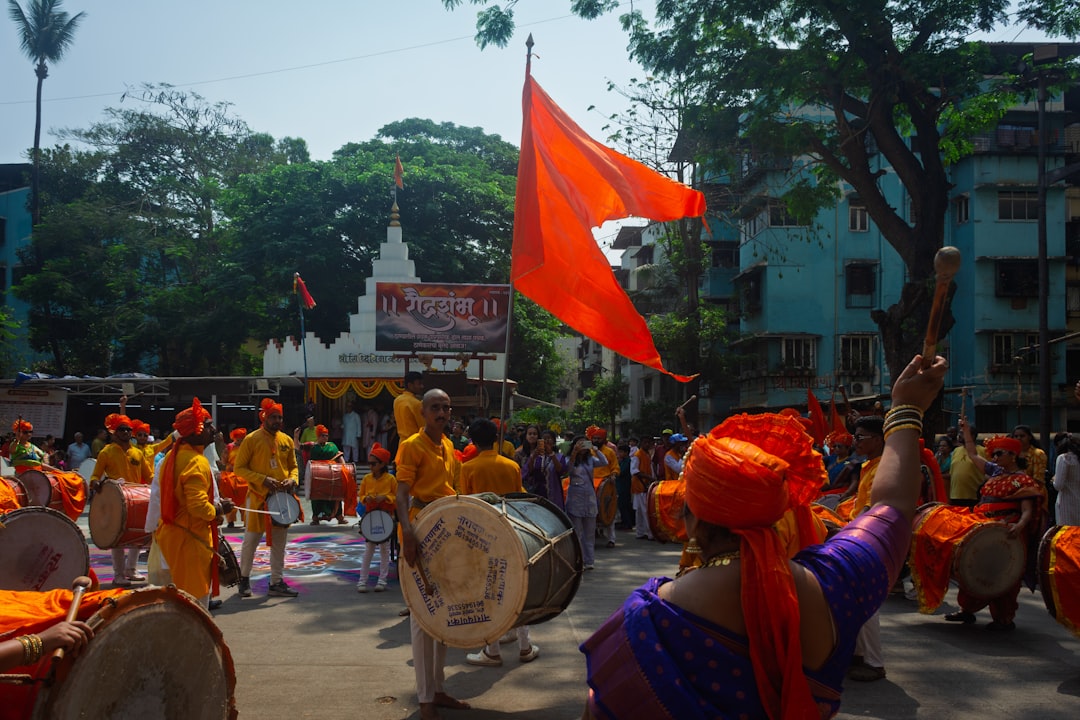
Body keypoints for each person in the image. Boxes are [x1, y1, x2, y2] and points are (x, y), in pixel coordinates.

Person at [580, 354, 947, 719]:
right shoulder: (834, 581)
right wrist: (906, 408)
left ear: (692, 522)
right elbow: (892, 507)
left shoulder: (644, 622)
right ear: (776, 510)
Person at [394, 388, 471, 720]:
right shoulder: (410, 446)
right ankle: (425, 698)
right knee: (422, 616)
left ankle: (438, 689)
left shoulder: (450, 446)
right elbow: (401, 494)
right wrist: (408, 535)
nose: (442, 413)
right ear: (423, 413)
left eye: (446, 407)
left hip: (446, 530)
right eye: (435, 407)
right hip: (419, 529)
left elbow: (452, 489)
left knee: (444, 611)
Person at [935, 420, 1043, 630]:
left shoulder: (1023, 480)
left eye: (999, 454)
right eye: (993, 454)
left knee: (1003, 572)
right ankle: (967, 610)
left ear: (1013, 455)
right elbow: (974, 455)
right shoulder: (995, 472)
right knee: (969, 562)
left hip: (1007, 529)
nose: (994, 457)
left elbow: (1027, 511)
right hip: (983, 525)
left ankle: (1003, 618)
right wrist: (966, 432)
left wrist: (1019, 527)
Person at [462, 418, 540, 667]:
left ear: (472, 441)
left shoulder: (468, 468)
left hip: (481, 536)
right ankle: (525, 646)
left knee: (488, 592)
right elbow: (519, 499)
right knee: (517, 588)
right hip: (511, 533)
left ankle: (492, 649)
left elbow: (465, 505)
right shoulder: (511, 466)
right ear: (497, 438)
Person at [155, 398, 233, 608]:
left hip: (174, 536)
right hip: (190, 540)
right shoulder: (195, 461)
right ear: (194, 431)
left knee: (182, 597)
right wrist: (220, 508)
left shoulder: (172, 456)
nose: (214, 429)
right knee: (195, 603)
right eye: (208, 425)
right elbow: (198, 507)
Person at [233, 398, 300, 599]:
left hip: (282, 500)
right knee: (251, 541)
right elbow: (239, 468)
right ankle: (244, 579)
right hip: (258, 499)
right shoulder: (252, 439)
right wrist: (262, 480)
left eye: (280, 417)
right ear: (264, 417)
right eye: (273, 417)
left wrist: (292, 479)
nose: (277, 420)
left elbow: (294, 466)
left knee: (280, 543)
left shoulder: (286, 440)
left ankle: (276, 582)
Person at [845, 416, 888, 682]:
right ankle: (860, 654)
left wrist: (846, 530)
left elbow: (873, 508)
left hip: (870, 539)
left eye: (860, 437)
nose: (855, 441)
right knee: (855, 600)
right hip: (859, 535)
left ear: (878, 439)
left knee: (867, 603)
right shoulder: (870, 466)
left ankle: (874, 662)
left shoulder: (885, 467)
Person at [90, 413, 152, 586]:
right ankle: (118, 574)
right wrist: (96, 483)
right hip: (116, 501)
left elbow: (149, 477)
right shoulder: (106, 452)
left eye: (128, 430)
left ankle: (131, 570)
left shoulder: (137, 453)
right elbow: (95, 476)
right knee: (117, 539)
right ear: (113, 432)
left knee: (138, 536)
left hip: (137, 499)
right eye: (122, 429)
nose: (126, 432)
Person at [357, 443, 397, 593]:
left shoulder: (391, 479)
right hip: (370, 516)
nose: (370, 466)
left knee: (385, 550)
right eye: (369, 463)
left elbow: (396, 497)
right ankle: (362, 581)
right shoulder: (367, 479)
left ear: (382, 464)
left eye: (373, 464)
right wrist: (365, 499)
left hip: (386, 516)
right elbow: (360, 496)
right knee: (369, 549)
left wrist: (385, 497)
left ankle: (382, 580)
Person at [566, 436, 608, 571]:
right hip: (575, 497)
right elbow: (568, 470)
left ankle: (589, 560)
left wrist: (595, 449)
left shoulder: (590, 459)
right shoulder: (569, 458)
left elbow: (604, 462)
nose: (583, 446)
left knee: (589, 532)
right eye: (580, 443)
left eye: (585, 443)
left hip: (589, 497)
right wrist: (574, 452)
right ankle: (577, 560)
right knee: (577, 531)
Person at [302, 424, 346, 525]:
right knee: (317, 497)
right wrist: (296, 437)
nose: (325, 437)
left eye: (326, 435)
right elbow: (298, 447)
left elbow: (339, 456)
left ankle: (339, 516)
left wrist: (344, 468)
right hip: (317, 476)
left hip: (333, 474)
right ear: (318, 436)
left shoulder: (332, 446)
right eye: (322, 435)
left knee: (335, 496)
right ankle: (316, 517)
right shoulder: (312, 446)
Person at [587, 427, 619, 549]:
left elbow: (615, 468)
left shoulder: (609, 452)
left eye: (598, 438)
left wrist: (613, 476)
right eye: (594, 438)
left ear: (604, 439)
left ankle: (611, 539)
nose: (596, 440)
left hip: (605, 485)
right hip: (590, 484)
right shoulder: (588, 452)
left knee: (609, 511)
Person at [949, 421, 985, 507]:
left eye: (963, 433)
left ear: (972, 436)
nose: (959, 435)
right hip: (955, 496)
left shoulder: (983, 451)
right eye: (959, 433)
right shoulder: (956, 451)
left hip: (974, 496)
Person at [631, 437, 655, 540]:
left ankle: (640, 532)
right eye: (645, 442)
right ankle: (649, 533)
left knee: (641, 510)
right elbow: (634, 470)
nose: (647, 445)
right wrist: (648, 478)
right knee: (644, 510)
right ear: (641, 443)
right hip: (640, 485)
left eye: (648, 443)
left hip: (645, 484)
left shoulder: (647, 454)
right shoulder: (637, 455)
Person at [1054, 433, 1080, 525]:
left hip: (1066, 502)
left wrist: (1053, 479)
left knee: (1067, 534)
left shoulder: (1064, 458)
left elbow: (1058, 485)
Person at [394, 371, 425, 442]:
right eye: (419, 384)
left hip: (402, 443)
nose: (422, 386)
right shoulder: (416, 403)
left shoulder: (397, 400)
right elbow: (423, 427)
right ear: (410, 385)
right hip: (414, 443)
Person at [615, 444, 633, 531]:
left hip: (625, 486)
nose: (619, 453)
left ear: (626, 452)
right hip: (620, 485)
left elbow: (620, 471)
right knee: (621, 504)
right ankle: (623, 521)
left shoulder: (628, 461)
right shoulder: (622, 461)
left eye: (621, 452)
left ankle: (627, 523)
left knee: (624, 504)